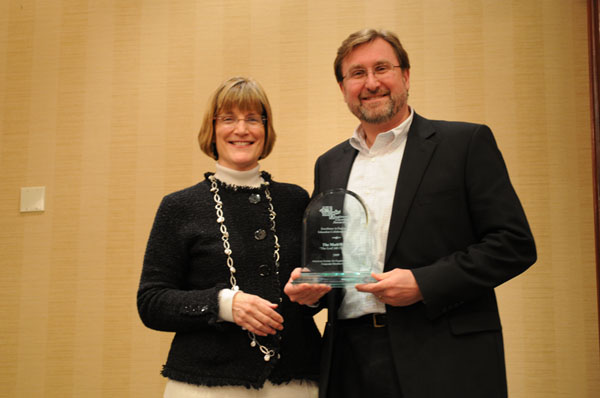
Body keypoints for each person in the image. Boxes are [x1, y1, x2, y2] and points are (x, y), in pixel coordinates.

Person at [285, 28, 537, 398]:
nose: (371, 83)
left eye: (382, 68)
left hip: (443, 357)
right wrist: (313, 288)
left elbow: (513, 245)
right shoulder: (330, 164)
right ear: (343, 88)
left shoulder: (464, 144)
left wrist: (423, 283)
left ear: (405, 75)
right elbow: (333, 261)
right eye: (357, 73)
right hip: (348, 360)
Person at [138, 76, 320, 398]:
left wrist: (314, 292)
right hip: (204, 384)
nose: (241, 129)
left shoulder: (296, 200)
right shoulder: (178, 206)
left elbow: (316, 294)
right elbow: (151, 302)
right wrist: (224, 304)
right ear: (213, 129)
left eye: (253, 119)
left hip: (294, 380)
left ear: (266, 129)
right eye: (229, 119)